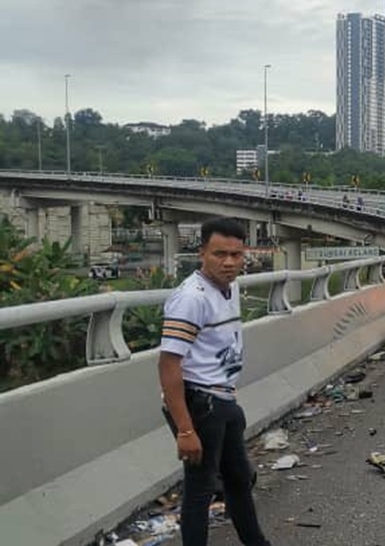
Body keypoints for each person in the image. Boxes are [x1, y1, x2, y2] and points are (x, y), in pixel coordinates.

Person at [158, 217, 272, 546]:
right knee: (200, 489)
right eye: (219, 254)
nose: (229, 262)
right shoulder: (191, 298)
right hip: (200, 403)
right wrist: (185, 429)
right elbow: (168, 365)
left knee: (238, 480)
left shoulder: (230, 286)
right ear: (201, 253)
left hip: (223, 399)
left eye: (236, 255)